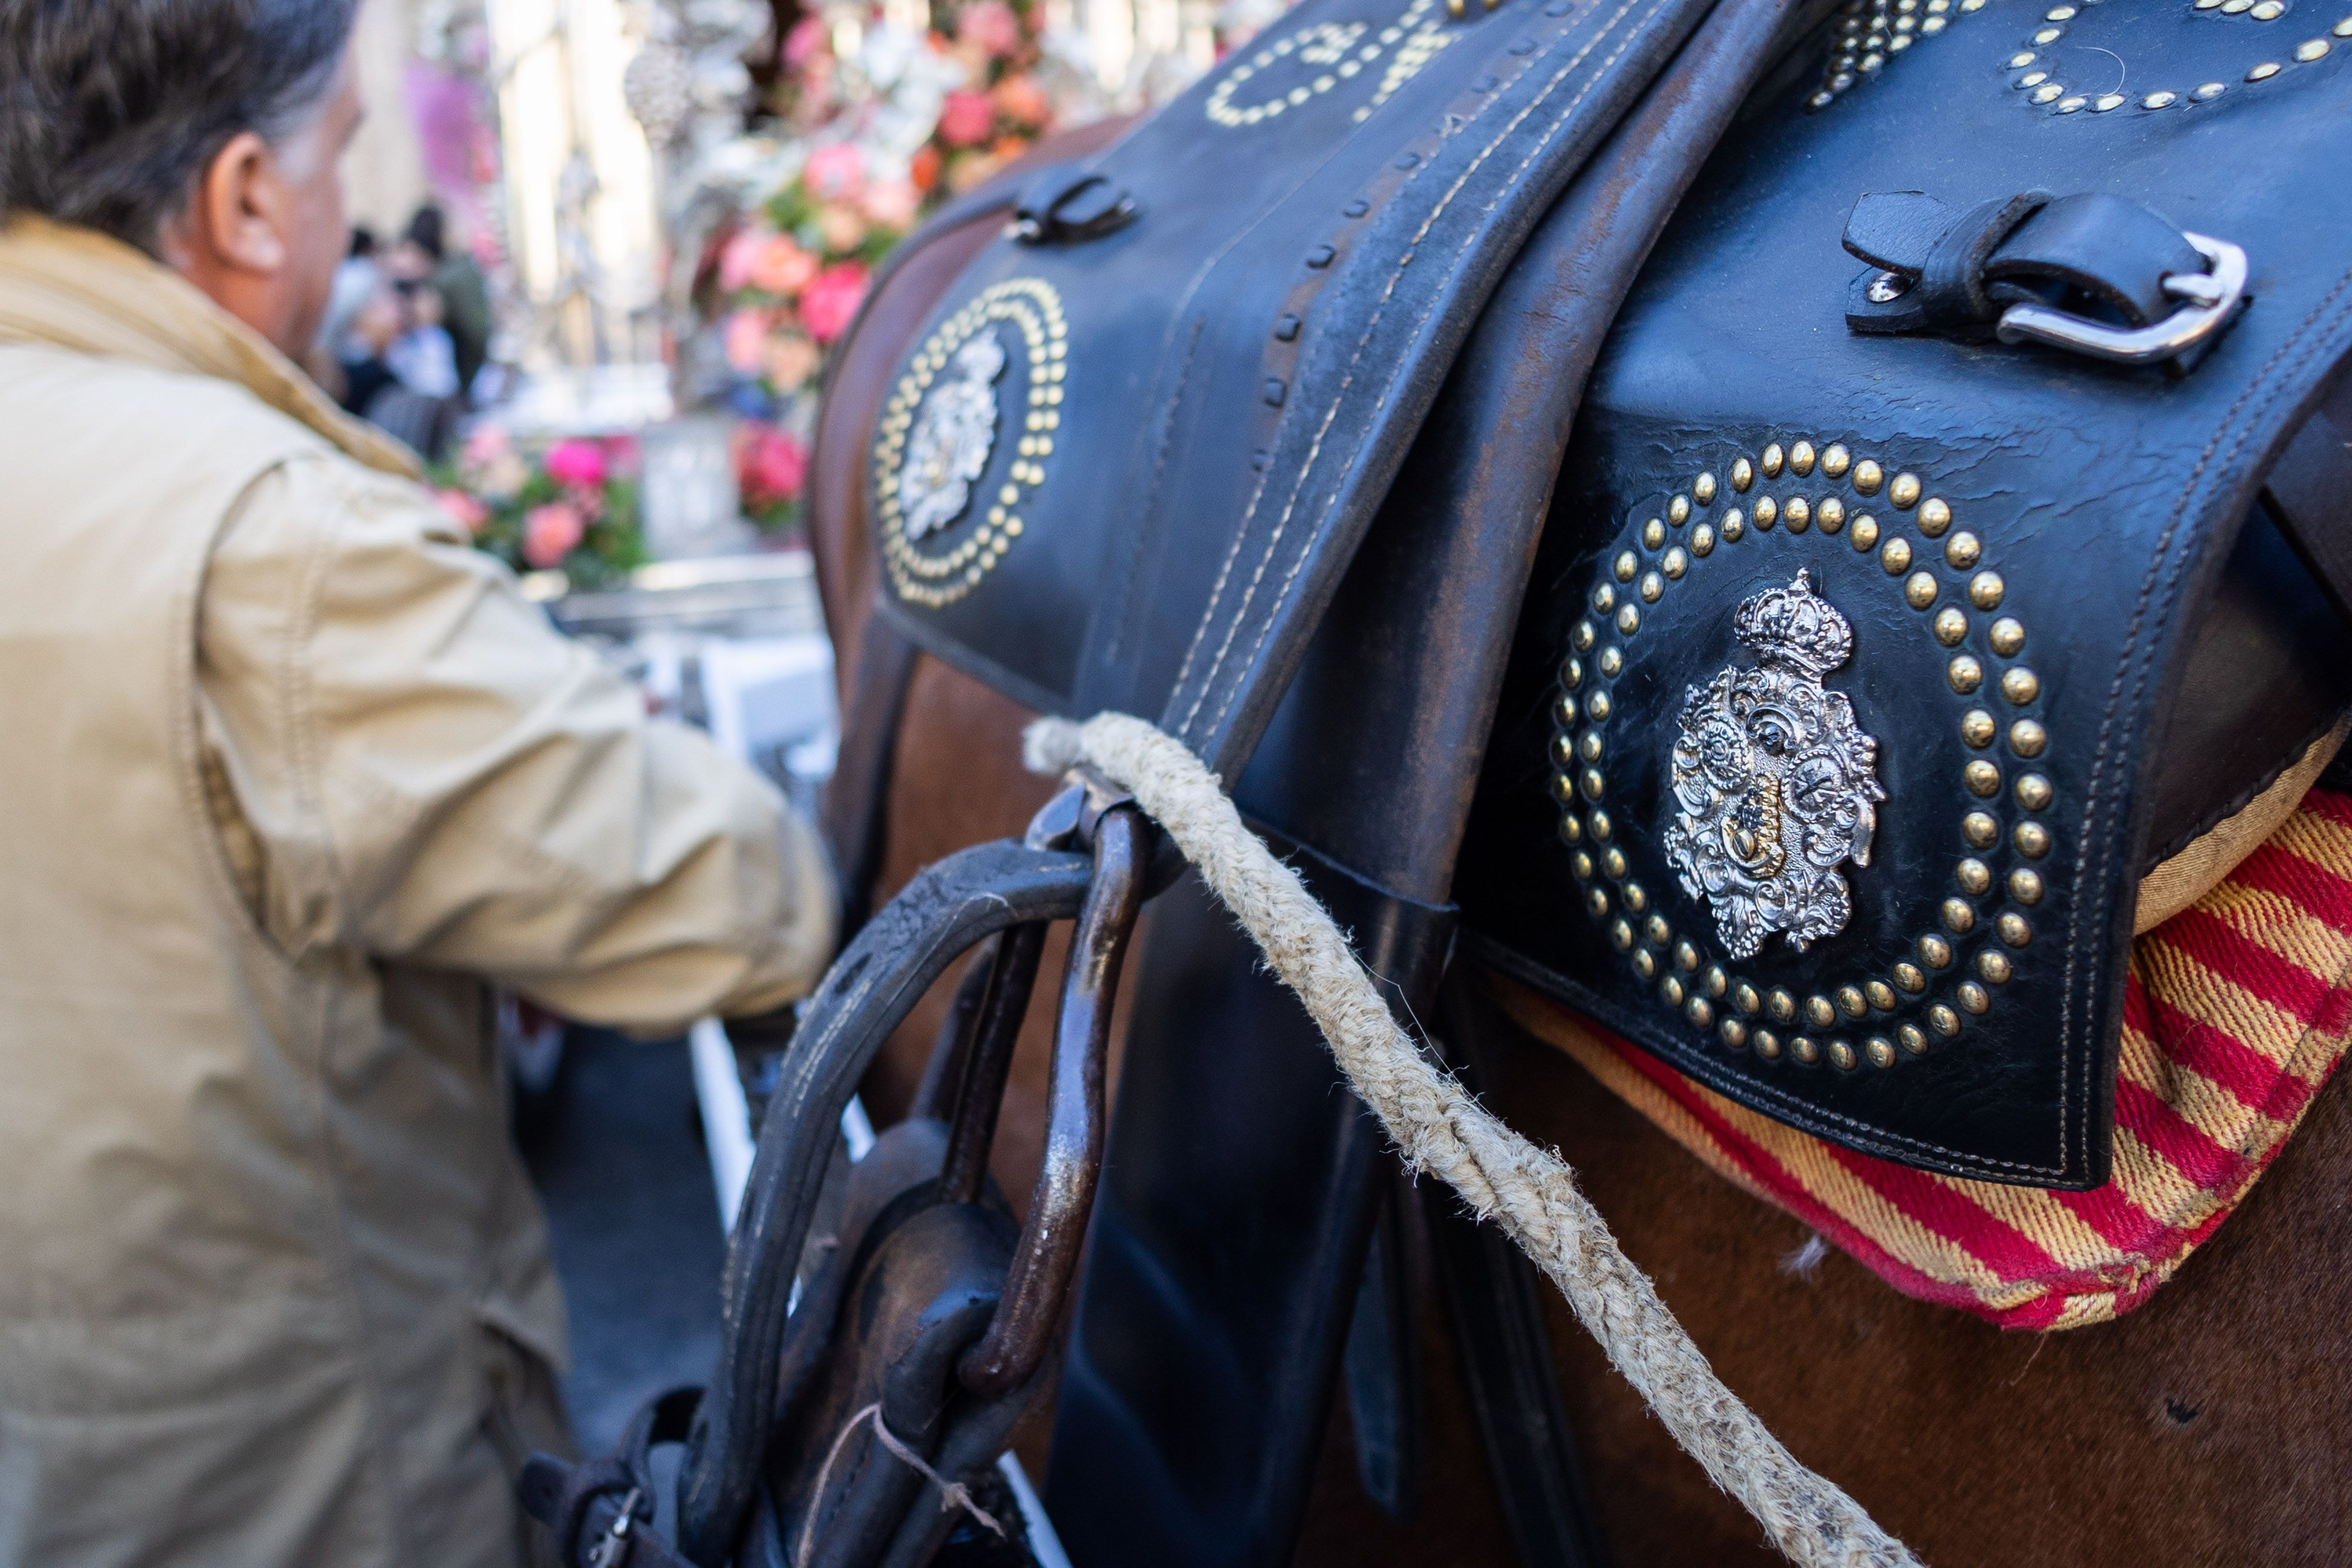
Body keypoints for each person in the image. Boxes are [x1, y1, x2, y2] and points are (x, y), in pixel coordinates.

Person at [0, 5, 839, 1566]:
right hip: (305, 1493)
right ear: (248, 199)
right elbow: (737, 900)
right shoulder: (268, 536)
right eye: (343, 153)